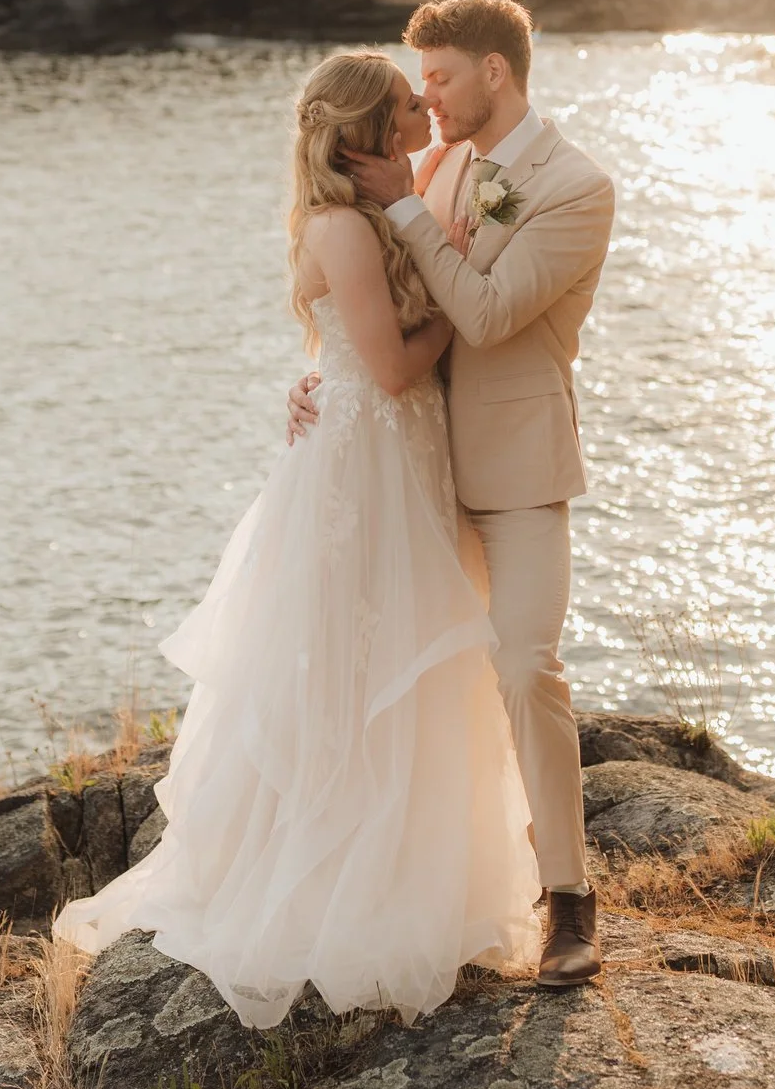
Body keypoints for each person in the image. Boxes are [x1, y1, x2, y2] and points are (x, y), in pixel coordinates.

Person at [52, 50, 539, 1028]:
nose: (422, 107)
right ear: (367, 128)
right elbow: (394, 370)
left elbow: (357, 350)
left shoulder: (381, 206)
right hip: (366, 469)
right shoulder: (340, 227)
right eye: (406, 101)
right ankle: (339, 883)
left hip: (396, 457)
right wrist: (461, 304)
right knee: (360, 665)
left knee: (406, 660)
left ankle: (422, 867)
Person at [289, 0, 618, 988]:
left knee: (522, 663)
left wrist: (397, 202)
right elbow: (376, 296)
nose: (423, 98)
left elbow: (478, 311)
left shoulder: (573, 187)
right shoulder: (433, 165)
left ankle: (567, 898)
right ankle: (408, 888)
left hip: (514, 468)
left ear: (495, 72)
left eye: (437, 77)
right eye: (415, 80)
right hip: (410, 466)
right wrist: (320, 378)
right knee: (402, 677)